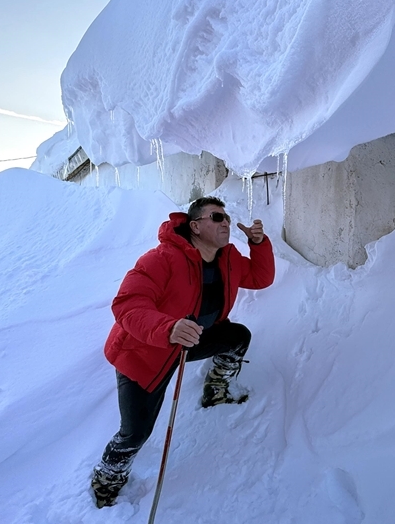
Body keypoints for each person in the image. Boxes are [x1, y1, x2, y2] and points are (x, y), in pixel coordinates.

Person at [90, 196, 275, 507]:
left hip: (190, 339)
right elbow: (127, 305)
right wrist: (167, 328)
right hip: (145, 353)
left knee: (237, 336)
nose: (225, 222)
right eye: (216, 217)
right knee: (135, 432)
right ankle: (109, 476)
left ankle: (217, 387)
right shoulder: (160, 259)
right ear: (195, 225)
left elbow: (260, 278)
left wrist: (258, 244)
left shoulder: (228, 260)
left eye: (226, 217)